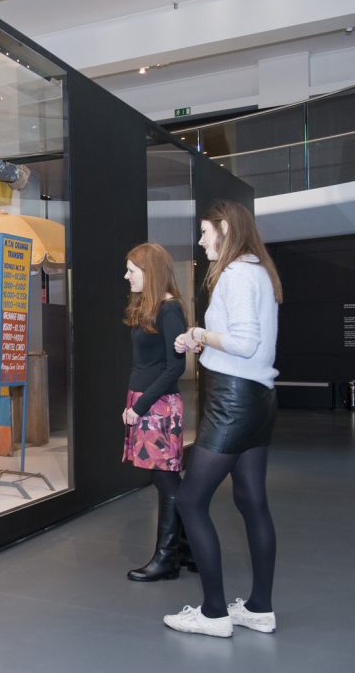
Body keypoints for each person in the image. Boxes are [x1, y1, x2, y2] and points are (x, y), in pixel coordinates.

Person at [163, 200, 283, 638]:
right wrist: (206, 344)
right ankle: (259, 608)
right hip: (258, 400)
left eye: (204, 232)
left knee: (191, 500)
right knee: (252, 502)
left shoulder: (235, 275)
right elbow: (248, 343)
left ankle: (214, 613)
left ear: (225, 228)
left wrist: (198, 335)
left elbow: (245, 343)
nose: (200, 240)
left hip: (231, 402)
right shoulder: (259, 272)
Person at [121, 243, 188, 582]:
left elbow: (175, 367)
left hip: (158, 406)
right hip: (146, 401)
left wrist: (141, 405)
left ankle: (167, 558)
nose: (126, 275)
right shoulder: (148, 307)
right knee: (168, 480)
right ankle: (185, 548)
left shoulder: (170, 310)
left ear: (151, 273)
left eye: (132, 270)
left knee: (166, 482)